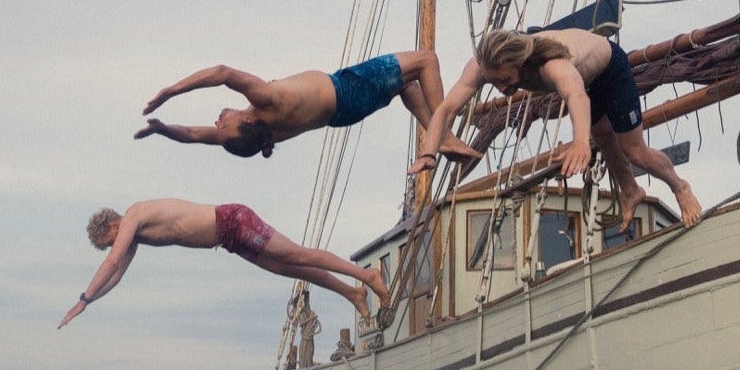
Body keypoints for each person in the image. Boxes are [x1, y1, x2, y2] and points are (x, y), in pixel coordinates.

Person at [413, 27, 702, 227]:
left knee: (634, 151)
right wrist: (429, 153)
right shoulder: (482, 67)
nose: (501, 88)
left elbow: (575, 94)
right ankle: (631, 191)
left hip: (609, 70)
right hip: (585, 79)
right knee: (602, 134)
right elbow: (447, 109)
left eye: (505, 80)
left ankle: (680, 187)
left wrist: (579, 143)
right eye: (493, 82)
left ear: (520, 62)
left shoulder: (550, 64)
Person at [57, 199, 389, 330]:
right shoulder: (134, 236)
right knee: (290, 268)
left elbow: (112, 260)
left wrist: (82, 299)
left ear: (111, 227)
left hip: (232, 221)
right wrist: (88, 304)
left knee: (296, 255)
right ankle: (353, 293)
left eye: (109, 242)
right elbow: (116, 275)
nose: (113, 248)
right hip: (229, 239)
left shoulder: (132, 217)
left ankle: (366, 274)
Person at [135, 51, 476, 161]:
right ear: (244, 121)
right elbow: (223, 73)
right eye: (223, 123)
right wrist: (172, 90)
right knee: (426, 60)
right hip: (347, 88)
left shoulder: (266, 135)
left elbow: (195, 135)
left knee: (408, 84)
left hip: (343, 114)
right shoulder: (266, 103)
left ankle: (438, 132)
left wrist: (165, 130)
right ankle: (443, 133)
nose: (218, 119)